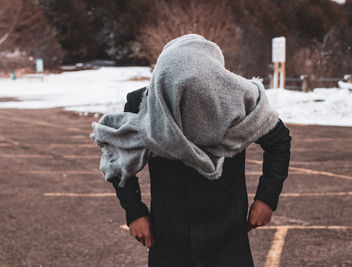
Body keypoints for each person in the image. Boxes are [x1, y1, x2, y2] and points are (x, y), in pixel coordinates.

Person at [91, 34, 291, 267]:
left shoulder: (239, 100)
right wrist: (134, 211)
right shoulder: (146, 103)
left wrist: (266, 198)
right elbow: (118, 156)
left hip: (228, 236)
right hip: (168, 235)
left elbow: (279, 141)